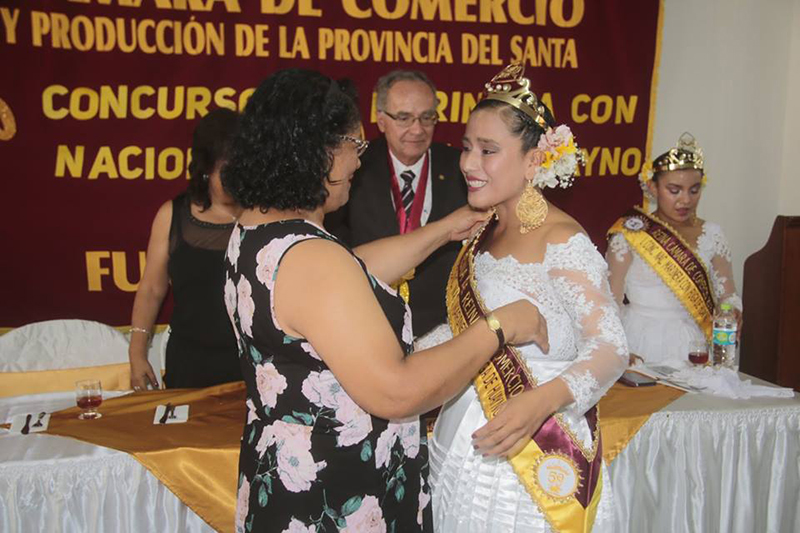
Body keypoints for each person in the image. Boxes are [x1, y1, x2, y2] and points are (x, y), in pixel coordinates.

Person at [221, 68, 547, 533]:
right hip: (338, 497)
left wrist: (443, 230)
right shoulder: (312, 260)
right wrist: (499, 327)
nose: (358, 161)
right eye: (353, 146)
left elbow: (352, 268)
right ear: (316, 154)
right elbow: (398, 391)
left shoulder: (260, 232)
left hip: (285, 481)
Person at [415, 64, 628, 532]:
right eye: (468, 146)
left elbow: (612, 348)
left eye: (488, 151)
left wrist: (541, 402)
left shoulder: (562, 240)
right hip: (462, 437)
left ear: (534, 161)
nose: (469, 163)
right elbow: (469, 330)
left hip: (530, 452)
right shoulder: (484, 228)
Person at [325, 70, 467, 338]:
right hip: (367, 325)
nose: (417, 129)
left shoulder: (461, 168)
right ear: (381, 120)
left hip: (442, 329)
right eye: (404, 118)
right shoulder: (354, 168)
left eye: (427, 117)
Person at [128, 108, 243, 390]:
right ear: (205, 168)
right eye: (224, 170)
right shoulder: (172, 215)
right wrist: (136, 354)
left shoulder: (265, 215)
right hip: (190, 365)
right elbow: (151, 289)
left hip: (252, 366)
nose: (234, 179)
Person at [607, 132, 742, 366]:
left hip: (695, 341)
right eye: (674, 189)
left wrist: (733, 312)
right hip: (640, 339)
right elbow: (610, 302)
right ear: (653, 187)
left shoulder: (713, 233)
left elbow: (728, 295)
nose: (685, 200)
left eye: (694, 190)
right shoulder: (631, 233)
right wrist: (615, 351)